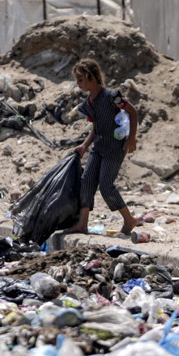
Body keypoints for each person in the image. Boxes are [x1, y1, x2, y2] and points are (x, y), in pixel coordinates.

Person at [63, 58, 140, 235]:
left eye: (81, 79)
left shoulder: (113, 96)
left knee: (106, 185)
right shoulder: (88, 103)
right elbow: (95, 127)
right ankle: (82, 224)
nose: (78, 84)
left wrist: (132, 138)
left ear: (92, 77)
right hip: (98, 148)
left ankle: (129, 220)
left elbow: (133, 112)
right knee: (87, 182)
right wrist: (84, 146)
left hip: (114, 148)